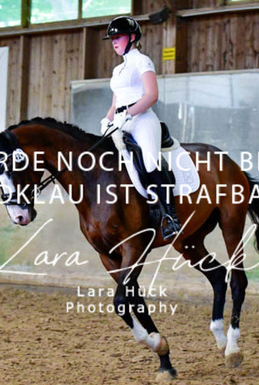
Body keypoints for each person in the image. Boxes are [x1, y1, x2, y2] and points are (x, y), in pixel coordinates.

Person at [100, 16, 180, 239]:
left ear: (132, 37)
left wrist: (129, 113)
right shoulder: (118, 70)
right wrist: (107, 119)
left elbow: (152, 95)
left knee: (150, 161)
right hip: (120, 122)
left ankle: (170, 216)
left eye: (118, 37)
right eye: (112, 39)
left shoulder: (142, 61)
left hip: (142, 120)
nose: (114, 42)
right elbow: (115, 103)